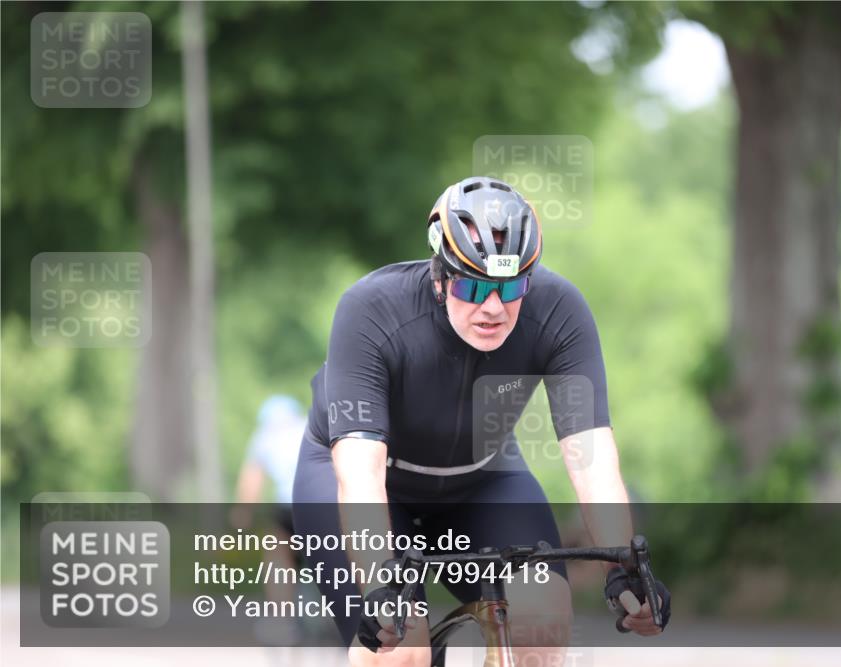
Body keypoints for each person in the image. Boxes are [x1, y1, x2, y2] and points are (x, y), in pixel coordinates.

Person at [293, 177, 669, 667]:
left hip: (481, 479)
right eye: (473, 285)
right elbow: (361, 472)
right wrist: (380, 580)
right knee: (399, 651)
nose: (493, 307)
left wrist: (624, 563)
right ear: (440, 274)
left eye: (511, 287)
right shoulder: (372, 310)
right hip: (366, 480)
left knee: (542, 627)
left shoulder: (560, 310)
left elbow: (591, 456)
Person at [234, 395, 308, 645]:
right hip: (321, 504)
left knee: (277, 554)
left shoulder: (265, 435)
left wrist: (243, 514)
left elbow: (252, 477)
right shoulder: (309, 427)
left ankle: (281, 619)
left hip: (287, 507)